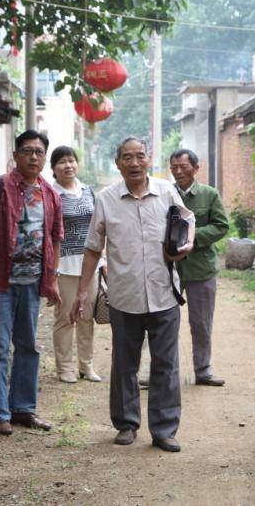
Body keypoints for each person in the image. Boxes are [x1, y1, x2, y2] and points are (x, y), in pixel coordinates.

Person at [71, 137, 195, 453]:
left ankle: (164, 430)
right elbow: (92, 248)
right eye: (128, 157)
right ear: (118, 163)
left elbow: (188, 221)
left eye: (140, 156)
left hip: (164, 293)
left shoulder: (166, 191)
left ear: (149, 159)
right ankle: (126, 423)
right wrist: (83, 291)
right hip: (124, 295)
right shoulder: (107, 198)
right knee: (125, 362)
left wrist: (186, 245)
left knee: (166, 364)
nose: (135, 162)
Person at [0, 129, 63, 436]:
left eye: (39, 152)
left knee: (28, 345)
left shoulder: (49, 194)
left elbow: (54, 239)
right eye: (27, 151)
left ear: (45, 158)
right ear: (15, 155)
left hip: (32, 283)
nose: (33, 156)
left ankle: (23, 408)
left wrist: (53, 278)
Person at [169, 149, 229, 387]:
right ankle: (164, 371)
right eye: (174, 167)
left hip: (200, 269)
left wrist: (191, 238)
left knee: (201, 323)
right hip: (170, 269)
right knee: (164, 322)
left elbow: (221, 226)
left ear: (196, 168)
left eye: (183, 166)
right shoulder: (165, 193)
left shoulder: (209, 195)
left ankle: (202, 370)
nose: (178, 171)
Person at [49, 146, 102, 384]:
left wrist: (104, 261)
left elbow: (100, 228)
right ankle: (65, 367)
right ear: (53, 169)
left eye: (71, 161)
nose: (68, 165)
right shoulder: (51, 194)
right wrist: (51, 268)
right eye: (62, 162)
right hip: (64, 265)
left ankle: (86, 365)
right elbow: (49, 233)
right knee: (65, 317)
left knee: (86, 316)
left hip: (89, 264)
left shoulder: (89, 192)